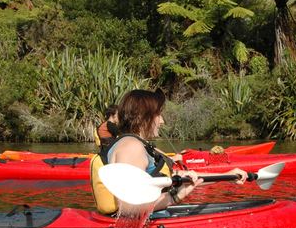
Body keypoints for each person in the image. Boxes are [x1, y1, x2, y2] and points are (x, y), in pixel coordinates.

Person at [91, 90, 249, 215]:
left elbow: (176, 175)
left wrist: (227, 175)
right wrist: (175, 196)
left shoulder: (140, 145)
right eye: (158, 115)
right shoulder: (131, 147)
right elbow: (129, 209)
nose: (162, 121)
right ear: (141, 117)